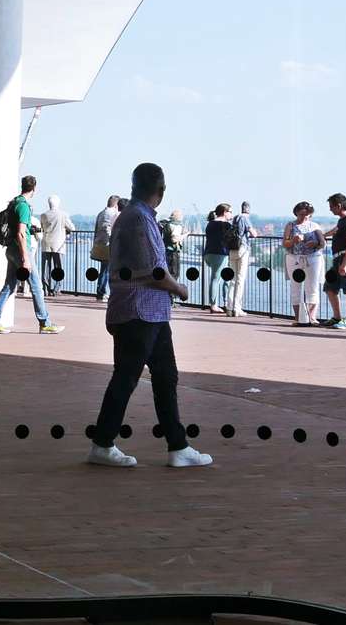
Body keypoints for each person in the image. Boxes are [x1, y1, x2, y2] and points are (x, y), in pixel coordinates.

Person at [87, 162, 213, 469]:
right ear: (161, 190)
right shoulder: (140, 219)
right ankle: (103, 443)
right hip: (140, 312)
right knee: (128, 378)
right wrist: (180, 289)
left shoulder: (130, 216)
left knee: (164, 377)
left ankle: (177, 445)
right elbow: (155, 272)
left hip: (148, 314)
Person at [0, 175, 60, 334]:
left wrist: (30, 231)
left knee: (9, 286)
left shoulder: (14, 203)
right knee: (37, 286)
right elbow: (20, 234)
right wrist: (25, 258)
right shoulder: (24, 206)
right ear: (34, 189)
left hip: (10, 250)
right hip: (20, 251)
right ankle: (44, 322)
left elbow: (18, 229)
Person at [283, 201, 325, 325]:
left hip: (313, 258)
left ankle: (312, 317)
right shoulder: (290, 226)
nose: (304, 217)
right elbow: (285, 244)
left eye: (307, 215)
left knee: (312, 287)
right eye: (301, 214)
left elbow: (322, 243)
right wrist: (293, 241)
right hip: (294, 258)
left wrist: (315, 244)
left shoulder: (315, 226)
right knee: (295, 287)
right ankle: (298, 318)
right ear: (296, 213)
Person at [322, 193, 346, 328]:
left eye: (331, 206)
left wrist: (345, 263)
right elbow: (336, 230)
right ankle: (337, 317)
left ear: (339, 206)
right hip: (338, 257)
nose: (330, 209)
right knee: (329, 287)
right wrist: (324, 235)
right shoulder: (342, 220)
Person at [202, 203, 235, 314]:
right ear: (225, 212)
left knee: (222, 278)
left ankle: (221, 303)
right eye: (230, 212)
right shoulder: (226, 225)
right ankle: (215, 304)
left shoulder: (210, 224)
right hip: (220, 254)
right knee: (217, 279)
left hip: (208, 253)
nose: (231, 214)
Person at [229, 201, 257, 317]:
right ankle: (237, 308)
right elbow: (254, 233)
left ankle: (229, 307)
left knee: (232, 279)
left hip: (232, 249)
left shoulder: (235, 218)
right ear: (248, 209)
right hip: (242, 249)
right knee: (240, 279)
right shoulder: (245, 218)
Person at [39, 195, 70, 297]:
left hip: (46, 244)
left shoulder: (43, 215)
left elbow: (41, 228)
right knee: (58, 268)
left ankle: (46, 289)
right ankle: (56, 289)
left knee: (45, 268)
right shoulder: (63, 215)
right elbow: (72, 227)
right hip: (58, 245)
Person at [92, 195, 122, 301]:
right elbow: (110, 229)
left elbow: (96, 230)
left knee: (104, 269)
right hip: (108, 245)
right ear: (116, 204)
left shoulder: (101, 214)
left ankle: (101, 292)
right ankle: (103, 292)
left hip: (99, 244)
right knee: (108, 270)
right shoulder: (114, 214)